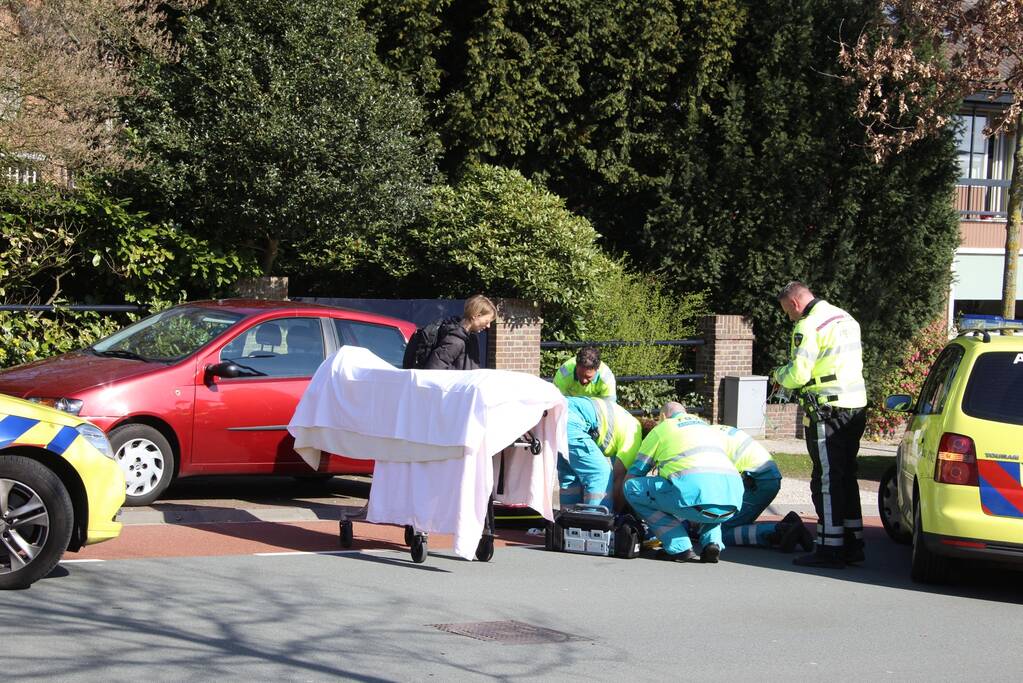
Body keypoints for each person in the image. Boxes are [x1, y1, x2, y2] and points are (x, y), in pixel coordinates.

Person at [772, 281, 867, 569]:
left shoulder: (808, 325)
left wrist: (778, 375)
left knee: (825, 480)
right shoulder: (845, 317)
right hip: (856, 406)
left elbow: (799, 374)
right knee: (847, 475)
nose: (789, 316)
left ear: (794, 303)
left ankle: (829, 547)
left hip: (827, 410)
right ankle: (853, 542)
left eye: (787, 311)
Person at [623, 402, 743, 563]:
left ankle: (680, 547)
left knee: (632, 488)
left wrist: (622, 506)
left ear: (664, 416)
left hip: (694, 499)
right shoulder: (709, 429)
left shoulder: (663, 428)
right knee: (710, 499)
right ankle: (712, 543)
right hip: (732, 500)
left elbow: (636, 472)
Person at [715, 424, 813, 552]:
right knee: (736, 523)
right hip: (764, 477)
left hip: (757, 481)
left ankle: (781, 531)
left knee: (719, 532)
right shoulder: (713, 430)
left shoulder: (701, 442)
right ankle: (787, 526)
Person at [559, 396, 643, 511]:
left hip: (559, 414)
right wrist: (617, 512)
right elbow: (619, 477)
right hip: (572, 421)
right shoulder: (635, 436)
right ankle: (596, 523)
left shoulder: (626, 423)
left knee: (570, 477)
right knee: (600, 473)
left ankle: (566, 522)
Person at [423, 295, 497, 370]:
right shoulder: (455, 341)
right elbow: (433, 370)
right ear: (476, 316)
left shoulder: (472, 338)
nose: (488, 326)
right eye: (487, 321)